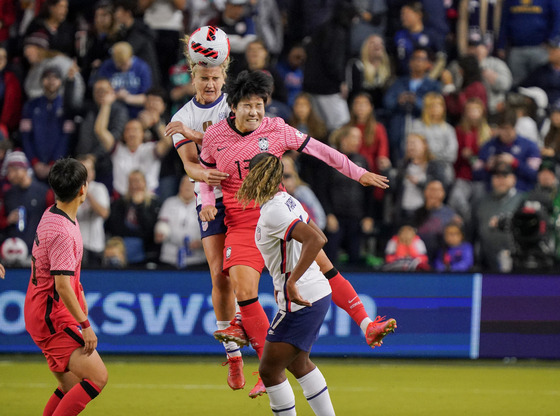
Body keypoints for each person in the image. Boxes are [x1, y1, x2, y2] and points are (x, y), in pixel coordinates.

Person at [198, 69, 395, 397]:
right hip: (242, 224)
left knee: (324, 265)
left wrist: (357, 173)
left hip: (277, 210)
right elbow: (204, 176)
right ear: (233, 106)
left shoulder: (276, 128)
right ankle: (263, 366)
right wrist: (206, 201)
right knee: (242, 287)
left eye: (260, 104)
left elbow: (322, 151)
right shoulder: (214, 136)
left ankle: (366, 323)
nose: (255, 111)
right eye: (248, 105)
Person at [236, 152, 343, 416]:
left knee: (269, 370)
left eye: (249, 172)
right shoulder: (286, 200)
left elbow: (315, 240)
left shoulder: (274, 210)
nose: (245, 178)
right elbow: (316, 234)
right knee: (298, 364)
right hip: (315, 292)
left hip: (301, 298)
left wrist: (292, 280)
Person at [164, 43, 242, 392]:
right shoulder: (181, 117)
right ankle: (234, 355)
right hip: (209, 199)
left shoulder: (236, 104)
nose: (209, 84)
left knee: (248, 268)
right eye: (202, 78)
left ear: (224, 76)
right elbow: (189, 165)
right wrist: (205, 178)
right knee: (219, 275)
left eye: (214, 77)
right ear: (192, 77)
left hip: (244, 195)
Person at [23, 158, 108, 416]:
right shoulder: (62, 231)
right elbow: (61, 286)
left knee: (70, 385)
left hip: (40, 310)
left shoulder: (53, 213)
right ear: (83, 189)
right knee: (98, 377)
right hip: (52, 316)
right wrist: (85, 325)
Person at [155, 175, 206, 268]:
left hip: (196, 258)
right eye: (184, 184)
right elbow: (163, 223)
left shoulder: (204, 204)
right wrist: (161, 232)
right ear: (179, 186)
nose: (187, 186)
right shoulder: (169, 202)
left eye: (191, 184)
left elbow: (209, 226)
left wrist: (202, 242)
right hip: (170, 256)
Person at [76, 154, 110, 267]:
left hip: (95, 245)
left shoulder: (99, 188)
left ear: (93, 172)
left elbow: (104, 213)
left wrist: (88, 195)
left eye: (89, 170)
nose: (86, 173)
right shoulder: (69, 191)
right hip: (76, 246)